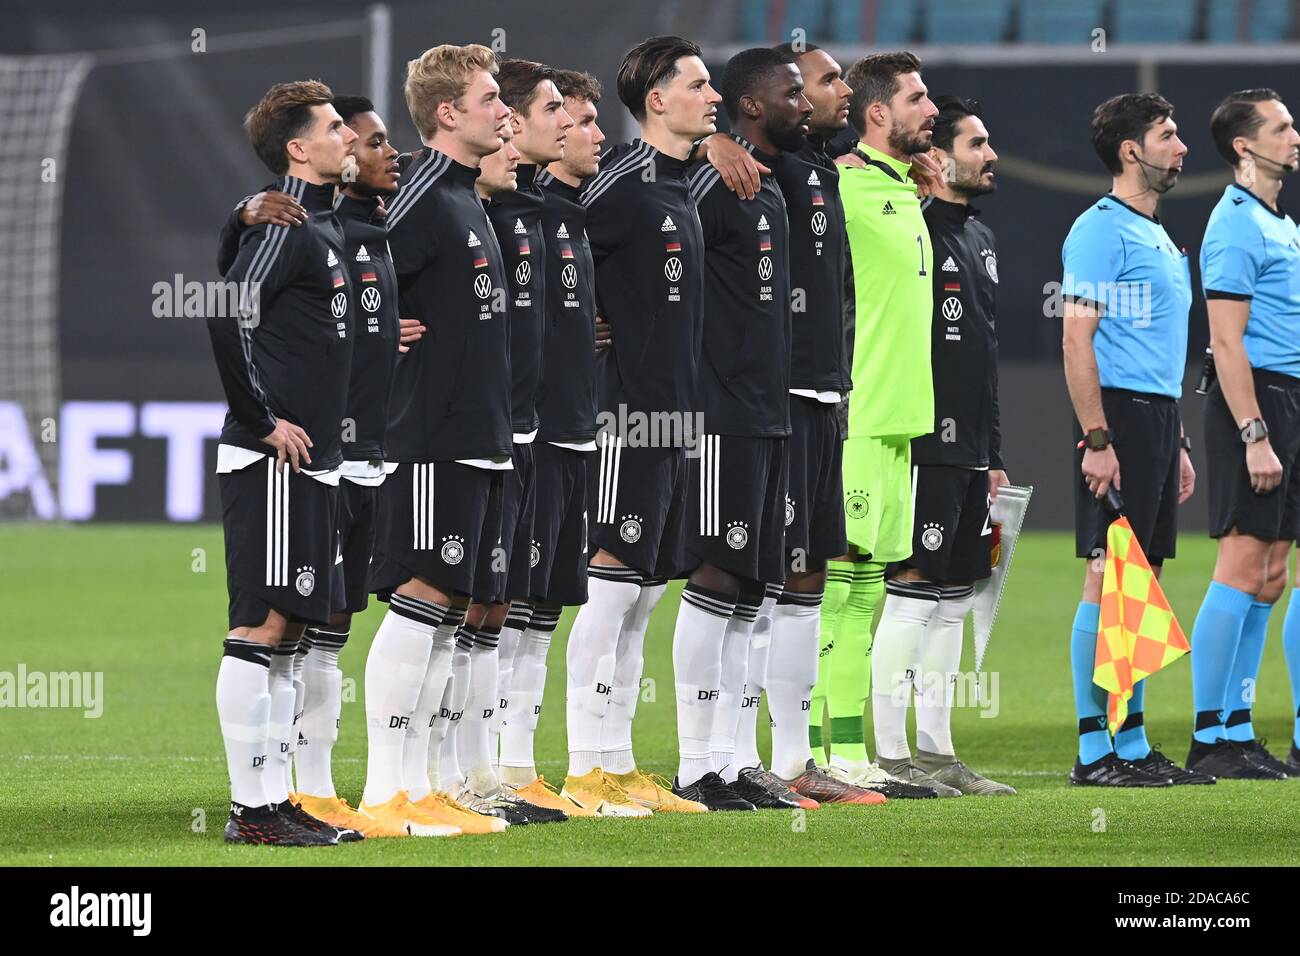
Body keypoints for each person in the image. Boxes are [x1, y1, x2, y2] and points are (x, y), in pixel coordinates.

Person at [362, 44, 551, 832]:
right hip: (431, 436)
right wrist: (375, 326)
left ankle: (428, 781)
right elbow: (348, 270)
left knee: (451, 609)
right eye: (486, 98)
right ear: (447, 113)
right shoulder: (416, 197)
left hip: (480, 434)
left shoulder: (465, 196)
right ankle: (385, 790)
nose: (502, 112)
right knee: (422, 599)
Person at [216, 95, 408, 834]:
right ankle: (249, 808)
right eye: (334, 129)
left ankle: (276, 800)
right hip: (275, 462)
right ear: (299, 150)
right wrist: (261, 421)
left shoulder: (322, 222)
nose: (349, 139)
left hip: (322, 462)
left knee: (293, 631)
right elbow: (224, 305)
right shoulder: (287, 222)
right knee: (261, 629)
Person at [561, 36, 718, 816]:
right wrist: (575, 320)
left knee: (645, 595)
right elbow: (554, 239)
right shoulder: (620, 183)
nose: (712, 95)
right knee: (610, 592)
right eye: (697, 84)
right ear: (657, 99)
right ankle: (586, 768)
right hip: (625, 414)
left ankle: (618, 764)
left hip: (676, 416)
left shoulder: (684, 185)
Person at [1061, 93, 1208, 787]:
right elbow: (1075, 339)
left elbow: (1159, 351)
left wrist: (1175, 437)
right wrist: (1096, 437)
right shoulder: (1100, 231)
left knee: (1138, 583)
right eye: (1168, 135)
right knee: (1105, 573)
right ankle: (1095, 753)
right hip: (1115, 416)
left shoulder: (1158, 235)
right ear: (1131, 150)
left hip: (1155, 416)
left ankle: (1133, 742)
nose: (1181, 147)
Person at [678, 46, 806, 810]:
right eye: (793, 91)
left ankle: (730, 759)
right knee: (717, 578)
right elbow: (627, 228)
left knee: (754, 587)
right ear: (750, 103)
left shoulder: (770, 187)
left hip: (769, 409)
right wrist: (702, 145)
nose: (807, 101)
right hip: (719, 411)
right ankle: (697, 765)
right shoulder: (706, 180)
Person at [897, 95, 1015, 795]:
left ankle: (937, 752)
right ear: (937, 158)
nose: (991, 155)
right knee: (911, 587)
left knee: (952, 595)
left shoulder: (980, 238)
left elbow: (985, 353)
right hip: (922, 439)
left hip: (971, 447)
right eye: (977, 143)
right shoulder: (911, 230)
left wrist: (994, 453)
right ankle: (888, 753)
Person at [835, 52, 941, 792]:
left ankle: (849, 747)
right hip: (858, 412)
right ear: (878, 113)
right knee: (834, 588)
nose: (930, 109)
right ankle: (821, 752)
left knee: (869, 587)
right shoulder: (839, 183)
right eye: (917, 97)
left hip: (901, 417)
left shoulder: (899, 188)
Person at [1189, 87, 1300, 779]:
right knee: (1239, 566)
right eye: (1283, 127)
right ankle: (1210, 737)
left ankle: (1240, 725)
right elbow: (1226, 343)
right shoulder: (1234, 224)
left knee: (1272, 575)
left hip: (1288, 397)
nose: (1296, 136)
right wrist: (1254, 431)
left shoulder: (1279, 222)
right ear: (1245, 145)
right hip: (1256, 403)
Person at [499, 68, 602, 810]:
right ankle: (468, 772)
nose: (569, 124)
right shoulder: (485, 205)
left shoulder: (557, 210)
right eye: (555, 110)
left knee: (538, 611)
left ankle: (515, 767)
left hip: (567, 429)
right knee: (487, 611)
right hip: (510, 436)